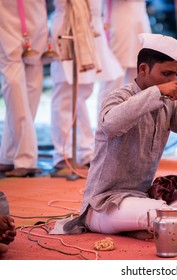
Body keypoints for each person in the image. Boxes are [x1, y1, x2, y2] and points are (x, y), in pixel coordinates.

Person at [50, 33, 177, 238]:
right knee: (170, 217)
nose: (173, 82)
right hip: (104, 205)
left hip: (142, 198)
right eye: (166, 74)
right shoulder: (119, 97)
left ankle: (138, 226)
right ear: (143, 69)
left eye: (175, 75)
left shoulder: (169, 103)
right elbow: (111, 125)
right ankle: (139, 224)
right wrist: (157, 92)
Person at [50, 0, 123, 170]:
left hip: (91, 30)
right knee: (65, 93)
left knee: (83, 92)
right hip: (69, 27)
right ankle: (63, 154)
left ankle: (85, 150)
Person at [0, 0, 49, 177]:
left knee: (32, 92)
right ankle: (25, 158)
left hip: (36, 21)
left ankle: (8, 154)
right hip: (6, 21)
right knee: (14, 88)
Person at [98, 0, 152, 108]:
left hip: (140, 19)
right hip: (118, 20)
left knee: (139, 75)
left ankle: (135, 121)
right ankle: (106, 118)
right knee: (114, 76)